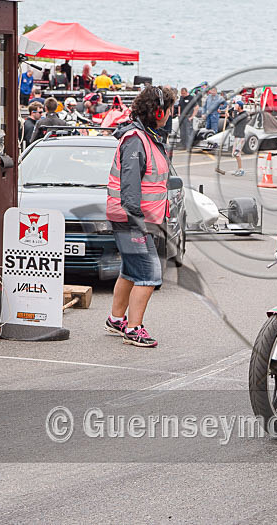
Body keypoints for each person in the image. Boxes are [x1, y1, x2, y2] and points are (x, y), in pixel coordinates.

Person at [105, 86, 177, 348]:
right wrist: (137, 226)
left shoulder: (148, 136)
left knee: (130, 271)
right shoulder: (136, 139)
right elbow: (130, 188)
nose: (170, 115)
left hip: (134, 218)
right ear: (158, 111)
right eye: (169, 110)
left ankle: (116, 319)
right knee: (149, 274)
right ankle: (134, 328)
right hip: (132, 219)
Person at [229, 100, 248, 176]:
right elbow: (233, 122)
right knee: (235, 153)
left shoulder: (244, 115)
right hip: (237, 136)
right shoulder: (239, 114)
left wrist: (236, 110)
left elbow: (236, 120)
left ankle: (241, 170)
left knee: (237, 154)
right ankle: (239, 169)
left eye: (237, 105)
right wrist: (229, 114)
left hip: (241, 136)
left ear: (239, 107)